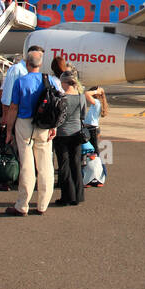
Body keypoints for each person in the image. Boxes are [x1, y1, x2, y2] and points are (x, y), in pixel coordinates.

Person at [3, 49, 56, 216]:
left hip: (25, 122)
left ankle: (22, 204)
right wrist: (54, 126)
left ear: (27, 64)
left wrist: (8, 130)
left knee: (27, 165)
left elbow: (13, 107)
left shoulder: (21, 82)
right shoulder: (50, 81)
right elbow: (56, 106)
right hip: (45, 125)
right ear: (40, 65)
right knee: (45, 164)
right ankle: (43, 204)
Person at [52, 72, 88, 207]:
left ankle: (67, 196)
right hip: (77, 133)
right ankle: (78, 196)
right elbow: (83, 115)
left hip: (62, 134)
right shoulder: (81, 97)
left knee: (64, 166)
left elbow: (58, 116)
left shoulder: (62, 97)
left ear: (65, 83)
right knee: (76, 165)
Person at [83, 84, 108, 153]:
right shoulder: (97, 103)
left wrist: (96, 91)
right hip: (92, 128)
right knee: (93, 149)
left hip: (92, 129)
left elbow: (87, 94)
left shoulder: (97, 102)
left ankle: (98, 162)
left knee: (94, 149)